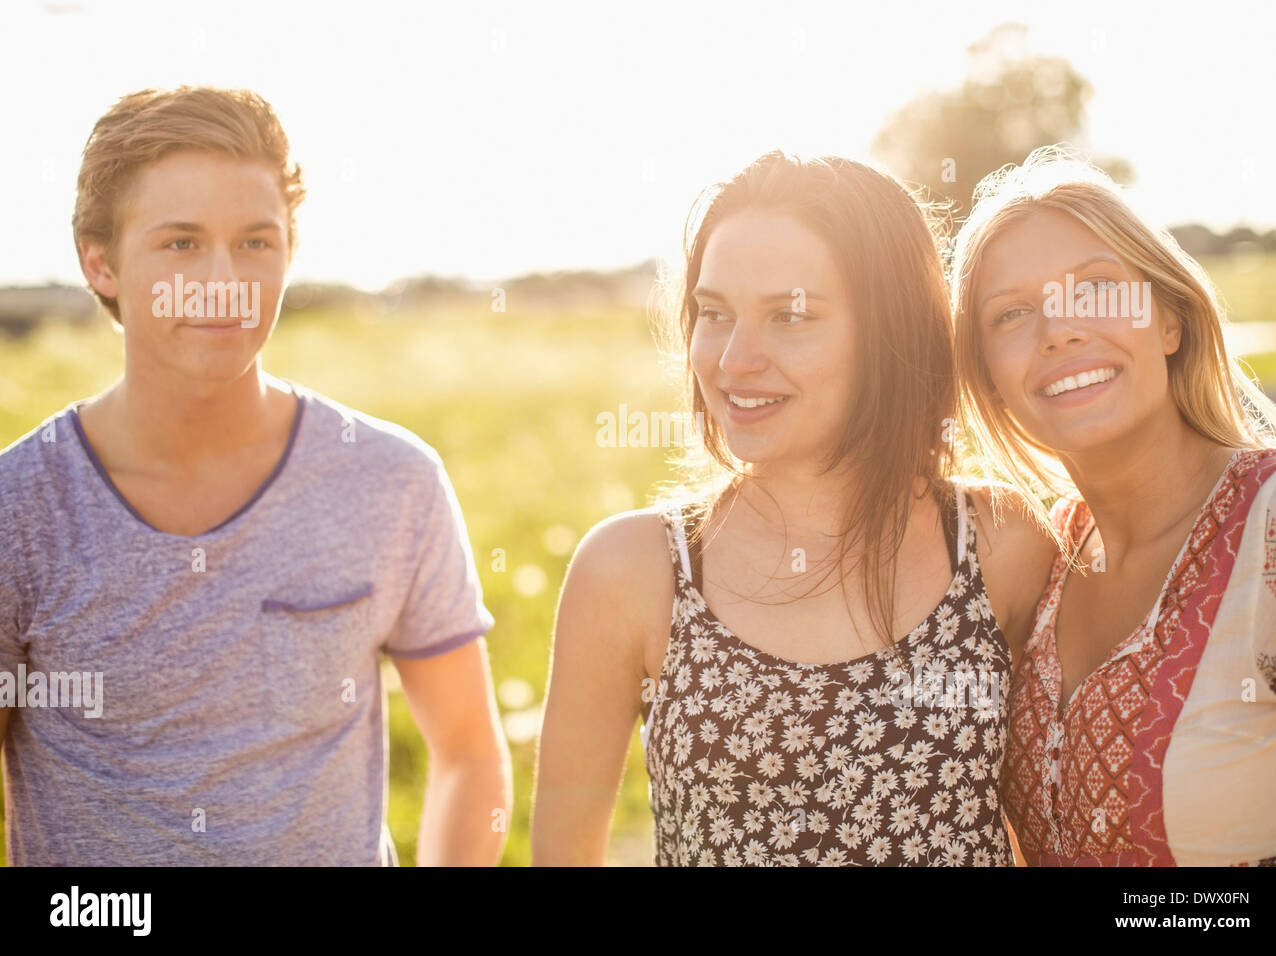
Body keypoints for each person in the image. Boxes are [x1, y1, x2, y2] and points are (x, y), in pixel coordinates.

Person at [0, 87, 509, 866]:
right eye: (180, 243)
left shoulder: (391, 480)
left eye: (255, 242)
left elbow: (470, 754)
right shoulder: (20, 509)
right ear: (99, 262)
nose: (223, 280)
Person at [532, 151, 1056, 866]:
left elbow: (1051, 837)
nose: (734, 359)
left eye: (790, 316)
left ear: (890, 331)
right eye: (714, 314)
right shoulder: (633, 571)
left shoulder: (1002, 545)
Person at [950, 146, 1276, 866]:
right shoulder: (1037, 562)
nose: (1060, 330)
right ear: (987, 378)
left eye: (1098, 288)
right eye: (1013, 313)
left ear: (1169, 321)